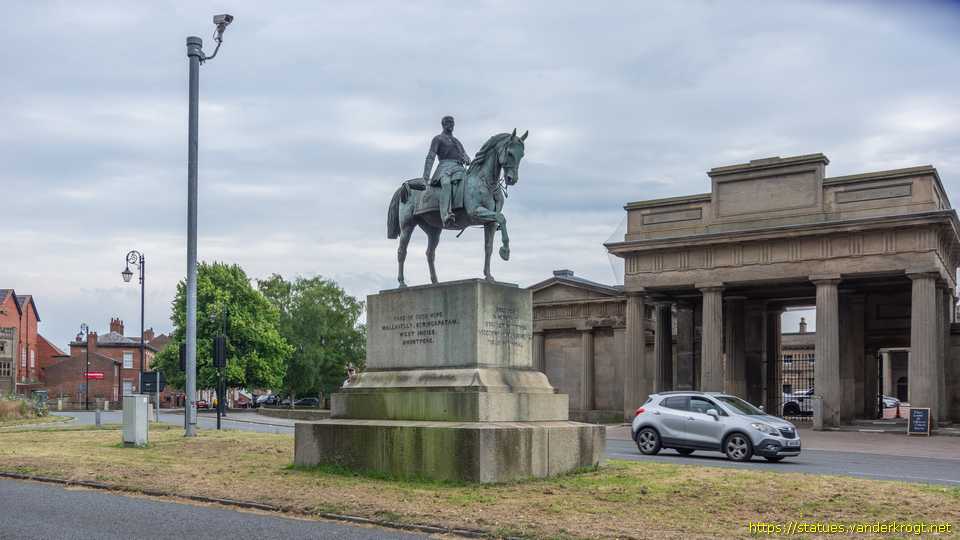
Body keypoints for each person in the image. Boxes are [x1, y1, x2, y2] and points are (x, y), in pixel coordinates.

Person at [423, 115, 471, 226]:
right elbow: (431, 156)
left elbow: (465, 155)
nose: (451, 124)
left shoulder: (457, 142)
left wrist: (467, 159)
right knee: (446, 184)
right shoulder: (438, 139)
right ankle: (445, 215)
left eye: (452, 122)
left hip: (459, 168)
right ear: (443, 124)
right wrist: (426, 176)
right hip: (444, 167)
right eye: (448, 122)